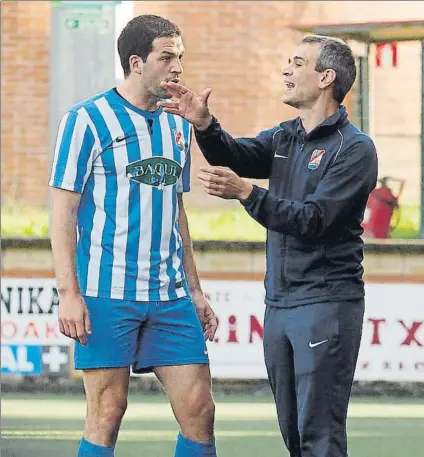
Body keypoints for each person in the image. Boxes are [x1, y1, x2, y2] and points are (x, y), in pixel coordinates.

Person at [159, 35, 378, 457]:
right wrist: (205, 125)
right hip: (280, 304)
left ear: (326, 78)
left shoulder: (355, 149)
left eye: (298, 63)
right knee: (294, 433)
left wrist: (247, 194)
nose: (286, 71)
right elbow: (238, 155)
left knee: (320, 435)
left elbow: (312, 220)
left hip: (326, 304)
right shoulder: (285, 137)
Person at [49, 14, 218, 457]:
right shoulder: (86, 120)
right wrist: (69, 292)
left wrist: (196, 290)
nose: (178, 67)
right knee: (108, 412)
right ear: (136, 62)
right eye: (167, 57)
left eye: (180, 57)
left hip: (170, 295)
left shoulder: (178, 123)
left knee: (200, 410)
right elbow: (63, 212)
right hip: (106, 292)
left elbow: (176, 211)